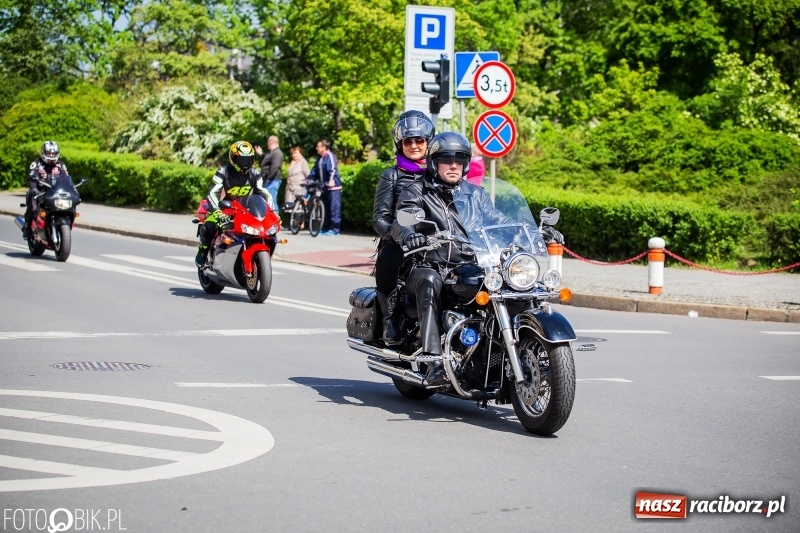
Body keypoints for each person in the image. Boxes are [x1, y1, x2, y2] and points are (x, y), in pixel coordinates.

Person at [390, 131, 563, 386]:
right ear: (434, 162)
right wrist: (408, 235)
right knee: (429, 281)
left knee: (512, 286)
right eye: (446, 159)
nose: (453, 165)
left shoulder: (475, 194)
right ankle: (434, 360)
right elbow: (401, 219)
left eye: (459, 160)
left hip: (471, 263)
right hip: (429, 263)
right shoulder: (417, 190)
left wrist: (530, 231)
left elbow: (495, 219)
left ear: (465, 164)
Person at [372, 110, 435, 344]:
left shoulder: (437, 174)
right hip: (401, 242)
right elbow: (380, 218)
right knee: (389, 257)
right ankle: (389, 320)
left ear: (429, 142)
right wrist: (399, 236)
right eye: (408, 141)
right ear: (400, 144)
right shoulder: (392, 175)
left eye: (420, 140)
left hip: (436, 241)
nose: (415, 145)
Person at [195, 141, 272, 267]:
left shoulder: (255, 173)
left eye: (248, 160)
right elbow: (213, 193)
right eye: (242, 160)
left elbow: (264, 193)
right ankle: (203, 250)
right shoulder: (223, 171)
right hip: (224, 208)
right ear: (233, 159)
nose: (245, 164)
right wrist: (217, 212)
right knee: (209, 226)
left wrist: (271, 213)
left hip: (245, 209)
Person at [23, 141, 69, 240]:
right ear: (43, 153)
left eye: (53, 153)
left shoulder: (61, 165)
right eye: (49, 153)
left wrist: (71, 189)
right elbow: (31, 178)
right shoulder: (36, 163)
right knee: (33, 208)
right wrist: (34, 189)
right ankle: (27, 227)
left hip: (55, 192)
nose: (51, 156)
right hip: (39, 191)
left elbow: (66, 178)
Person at [306, 139, 341, 236]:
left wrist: (331, 180)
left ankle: (335, 230)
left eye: (318, 146)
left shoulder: (330, 156)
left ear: (324, 147)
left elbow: (333, 169)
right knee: (325, 208)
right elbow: (314, 171)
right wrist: (309, 179)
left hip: (333, 187)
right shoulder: (320, 159)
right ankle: (325, 228)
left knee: (334, 208)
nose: (316, 148)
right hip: (324, 187)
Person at [255, 135, 283, 215]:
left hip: (272, 180)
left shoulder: (277, 153)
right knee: (267, 200)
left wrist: (268, 178)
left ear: (270, 142)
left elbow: (275, 167)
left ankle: (276, 220)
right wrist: (260, 154)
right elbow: (266, 162)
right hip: (270, 180)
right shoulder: (272, 153)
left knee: (272, 200)